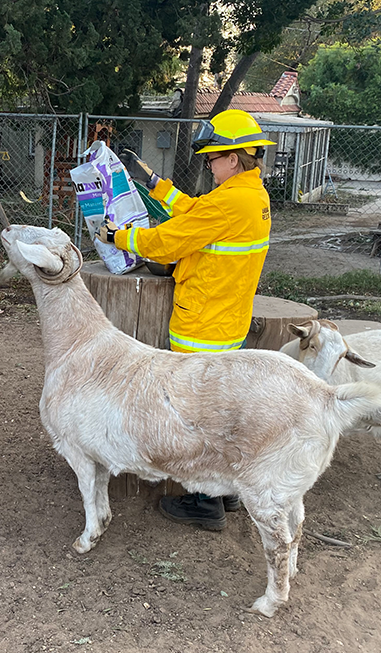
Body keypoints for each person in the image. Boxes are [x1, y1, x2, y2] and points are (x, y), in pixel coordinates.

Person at [96, 109, 274, 531]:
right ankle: (227, 493)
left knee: (197, 417)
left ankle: (203, 503)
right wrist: (157, 185)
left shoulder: (231, 201)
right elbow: (197, 213)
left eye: (213, 158)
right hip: (227, 321)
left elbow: (167, 242)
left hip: (203, 325)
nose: (209, 165)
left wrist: (118, 236)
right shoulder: (252, 195)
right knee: (224, 412)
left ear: (234, 157)